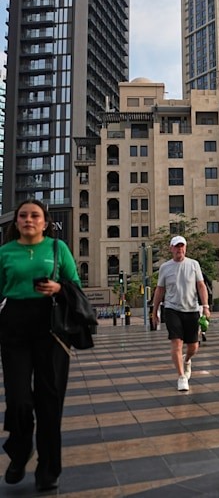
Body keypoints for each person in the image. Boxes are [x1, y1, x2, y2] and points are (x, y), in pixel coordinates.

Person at [0, 199, 81, 491]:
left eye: (35, 215)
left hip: (52, 329)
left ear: (45, 223)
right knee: (18, 399)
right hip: (14, 328)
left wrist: (59, 287)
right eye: (23, 215)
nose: (28, 220)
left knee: (50, 402)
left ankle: (48, 469)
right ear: (16, 222)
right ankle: (20, 451)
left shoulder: (58, 249)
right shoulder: (5, 252)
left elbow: (75, 284)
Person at [152, 236, 210, 392]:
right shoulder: (165, 267)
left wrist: (205, 306)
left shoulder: (194, 264)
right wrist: (154, 311)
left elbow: (201, 285)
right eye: (177, 246)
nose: (180, 249)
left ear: (185, 248)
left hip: (191, 309)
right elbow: (160, 290)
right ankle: (181, 377)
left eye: (182, 246)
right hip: (172, 309)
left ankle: (187, 359)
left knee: (193, 346)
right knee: (176, 343)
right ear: (171, 248)